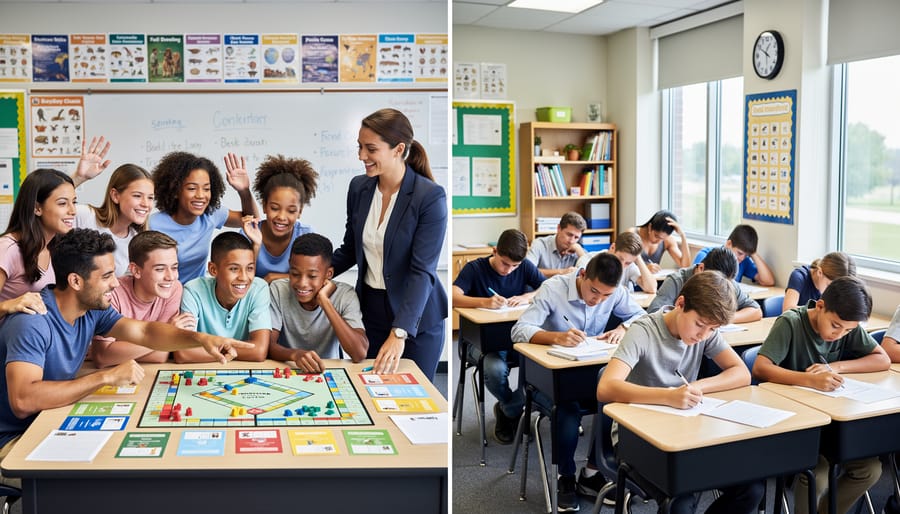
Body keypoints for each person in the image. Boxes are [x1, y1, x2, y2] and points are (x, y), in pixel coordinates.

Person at [0, 228, 251, 475]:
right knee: (102, 483)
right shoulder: (31, 322)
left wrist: (199, 338)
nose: (115, 283)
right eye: (107, 275)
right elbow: (23, 400)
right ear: (76, 281)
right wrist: (106, 377)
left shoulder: (92, 309)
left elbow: (145, 333)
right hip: (14, 438)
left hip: (49, 418)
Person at [596, 271, 764, 514]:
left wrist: (697, 387)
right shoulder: (643, 331)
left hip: (686, 434)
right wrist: (668, 396)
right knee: (681, 502)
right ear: (681, 303)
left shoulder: (705, 331)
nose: (702, 335)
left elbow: (741, 373)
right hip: (635, 438)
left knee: (752, 489)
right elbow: (606, 387)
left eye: (712, 329)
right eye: (699, 325)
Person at [510, 252, 645, 511]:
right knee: (567, 411)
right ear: (582, 275)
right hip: (550, 378)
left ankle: (592, 473)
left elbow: (641, 316)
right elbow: (518, 330)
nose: (599, 301)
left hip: (591, 372)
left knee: (612, 406)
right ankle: (566, 477)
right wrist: (554, 337)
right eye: (595, 292)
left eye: (607, 296)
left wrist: (623, 328)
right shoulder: (553, 289)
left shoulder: (614, 292)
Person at [752, 276, 889, 514]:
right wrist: (809, 380)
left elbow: (882, 359)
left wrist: (837, 367)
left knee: (870, 470)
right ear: (820, 306)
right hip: (797, 423)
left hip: (834, 423)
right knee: (818, 474)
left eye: (848, 330)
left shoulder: (847, 326)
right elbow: (761, 368)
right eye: (835, 326)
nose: (839, 334)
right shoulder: (791, 323)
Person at [331, 108, 447, 381]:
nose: (361, 156)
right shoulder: (359, 188)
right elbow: (350, 250)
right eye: (359, 147)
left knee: (412, 401)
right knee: (371, 393)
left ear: (398, 149)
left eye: (370, 149)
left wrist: (400, 332)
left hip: (415, 319)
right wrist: (313, 274)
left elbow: (422, 272)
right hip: (370, 312)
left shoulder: (429, 197)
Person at [452, 228, 545, 444]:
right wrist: (483, 302)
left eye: (515, 266)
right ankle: (513, 410)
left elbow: (546, 288)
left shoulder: (524, 267)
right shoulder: (475, 268)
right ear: (494, 251)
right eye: (505, 263)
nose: (509, 270)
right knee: (495, 370)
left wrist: (526, 297)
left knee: (542, 372)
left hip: (516, 338)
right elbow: (454, 296)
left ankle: (507, 410)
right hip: (481, 342)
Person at [89, 231, 196, 368]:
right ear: (136, 270)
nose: (170, 277)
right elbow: (102, 357)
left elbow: (161, 355)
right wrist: (167, 332)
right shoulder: (112, 293)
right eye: (160, 269)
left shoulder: (174, 288)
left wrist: (120, 351)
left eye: (174, 268)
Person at [149, 151, 259, 283]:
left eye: (206, 189)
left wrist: (244, 191)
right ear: (175, 191)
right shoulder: (152, 225)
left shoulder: (211, 214)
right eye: (192, 188)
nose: (201, 195)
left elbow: (252, 221)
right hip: (163, 295)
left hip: (196, 295)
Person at [268, 233, 368, 373]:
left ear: (329, 274)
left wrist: (325, 301)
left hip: (329, 371)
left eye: (312, 276)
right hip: (289, 369)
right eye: (295, 274)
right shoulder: (278, 290)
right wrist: (295, 354)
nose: (302, 283)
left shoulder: (345, 295)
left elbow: (359, 353)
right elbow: (268, 345)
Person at [173, 231, 270, 363]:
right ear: (213, 270)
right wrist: (236, 351)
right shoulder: (193, 290)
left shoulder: (259, 289)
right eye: (234, 269)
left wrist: (207, 351)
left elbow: (259, 351)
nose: (244, 277)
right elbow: (183, 353)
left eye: (250, 268)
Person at [0, 168, 76, 318]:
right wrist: (8, 305)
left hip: (38, 338)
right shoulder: (7, 249)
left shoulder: (56, 247)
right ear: (37, 208)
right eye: (62, 203)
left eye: (74, 202)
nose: (73, 210)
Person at [245, 154, 318, 283]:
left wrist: (274, 278)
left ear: (300, 212)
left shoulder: (306, 235)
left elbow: (314, 277)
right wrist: (256, 246)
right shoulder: (249, 234)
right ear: (264, 206)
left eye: (291, 211)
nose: (282, 217)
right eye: (274, 208)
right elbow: (241, 277)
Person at [75, 163, 154, 276]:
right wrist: (79, 177)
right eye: (137, 196)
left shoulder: (135, 242)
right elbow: (47, 203)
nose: (146, 204)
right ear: (115, 195)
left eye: (150, 197)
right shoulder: (85, 215)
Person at [649, 246, 762, 323]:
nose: (722, 287)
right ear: (701, 268)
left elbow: (756, 311)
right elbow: (653, 315)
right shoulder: (676, 281)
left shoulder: (727, 282)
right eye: (715, 282)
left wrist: (723, 318)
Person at [575, 231, 657, 293]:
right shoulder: (587, 260)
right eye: (620, 259)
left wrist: (638, 259)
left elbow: (651, 288)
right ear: (613, 247)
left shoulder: (629, 265)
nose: (621, 266)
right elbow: (583, 288)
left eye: (628, 262)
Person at [692, 224, 775, 286]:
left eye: (747, 255)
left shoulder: (744, 261)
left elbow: (768, 281)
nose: (742, 258)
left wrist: (753, 253)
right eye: (739, 253)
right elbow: (699, 285)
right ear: (729, 244)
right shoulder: (704, 256)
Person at [782, 251, 856, 312]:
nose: (833, 293)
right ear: (819, 272)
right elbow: (787, 309)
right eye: (829, 285)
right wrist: (820, 311)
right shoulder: (799, 277)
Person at [526, 211, 587, 277]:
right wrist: (562, 272)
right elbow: (527, 270)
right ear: (559, 228)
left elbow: (592, 274)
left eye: (576, 237)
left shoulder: (578, 249)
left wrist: (581, 253)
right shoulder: (540, 244)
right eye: (569, 235)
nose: (572, 241)